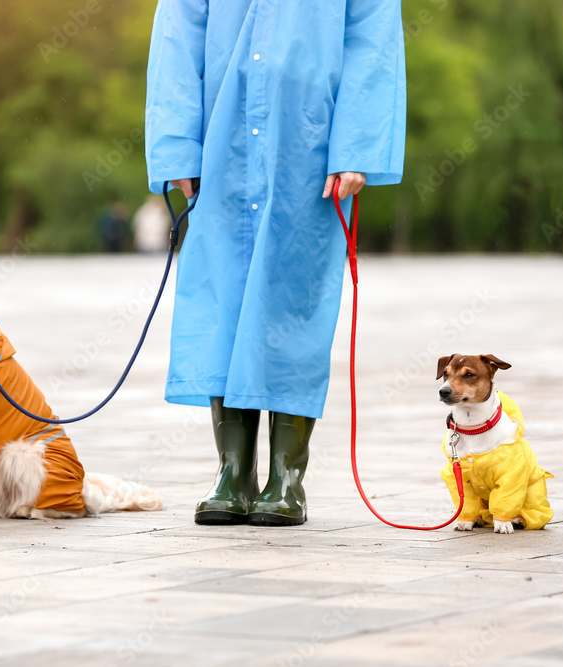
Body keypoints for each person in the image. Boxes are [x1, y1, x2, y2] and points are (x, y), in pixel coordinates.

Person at [145, 1, 406, 526]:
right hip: (224, 139)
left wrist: (354, 147)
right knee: (224, 301)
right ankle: (232, 472)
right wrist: (177, 148)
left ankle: (287, 477)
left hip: (308, 145)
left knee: (295, 301)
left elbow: (372, 39)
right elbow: (178, 33)